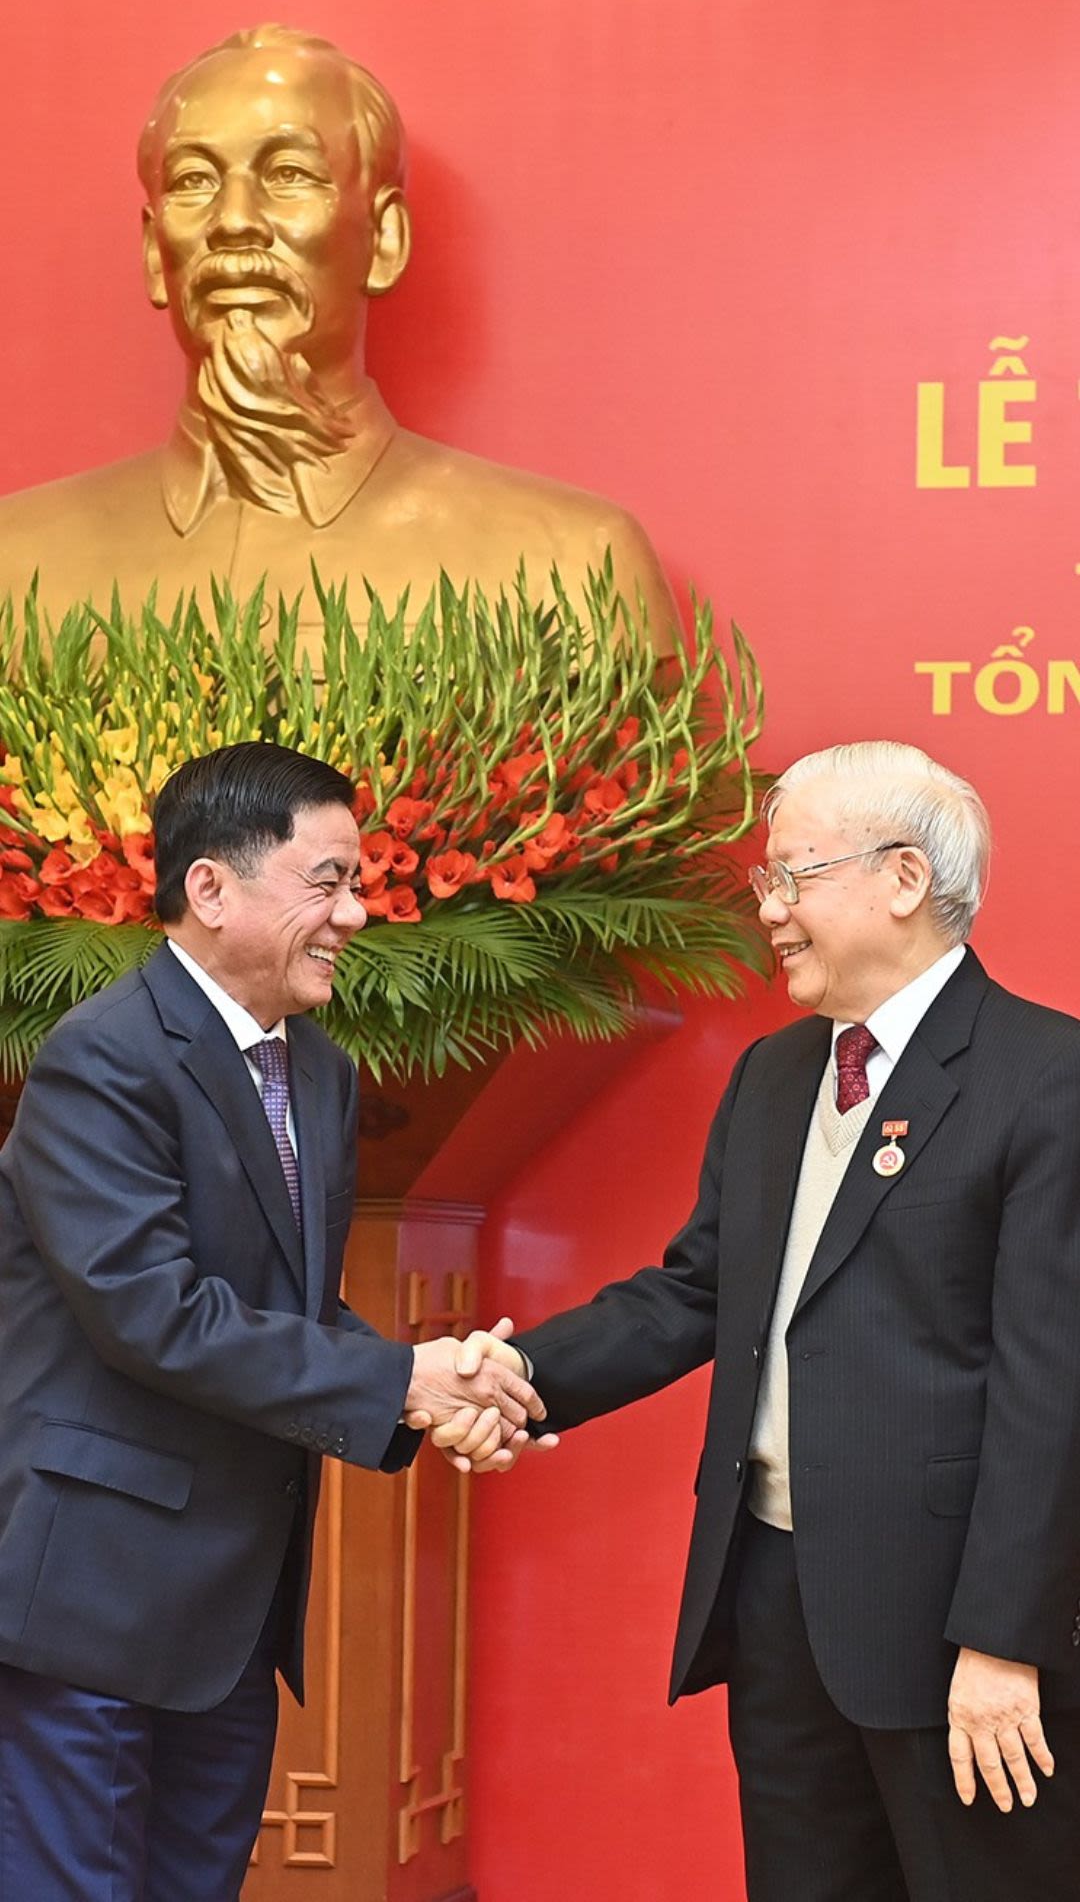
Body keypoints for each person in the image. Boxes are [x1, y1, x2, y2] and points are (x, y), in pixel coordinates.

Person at [430, 740, 1080, 1902]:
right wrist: (517, 1370)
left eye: (794, 876)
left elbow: (1055, 1389)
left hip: (954, 1623)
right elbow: (696, 1291)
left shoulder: (1046, 1079)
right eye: (766, 880)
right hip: (778, 1602)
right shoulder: (776, 1077)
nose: (769, 909)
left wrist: (1003, 1640)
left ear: (903, 878)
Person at [0, 739, 543, 1902]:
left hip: (232, 1609)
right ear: (210, 887)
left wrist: (424, 1381)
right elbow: (151, 1311)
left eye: (359, 883)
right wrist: (403, 1383)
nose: (355, 914)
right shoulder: (103, 1061)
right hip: (94, 1602)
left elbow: (292, 1306)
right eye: (328, 882)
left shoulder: (321, 1072)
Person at [0, 25, 678, 653]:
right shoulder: (14, 564)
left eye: (288, 174)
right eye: (193, 180)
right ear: (154, 251)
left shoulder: (573, 568)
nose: (233, 221)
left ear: (384, 240)